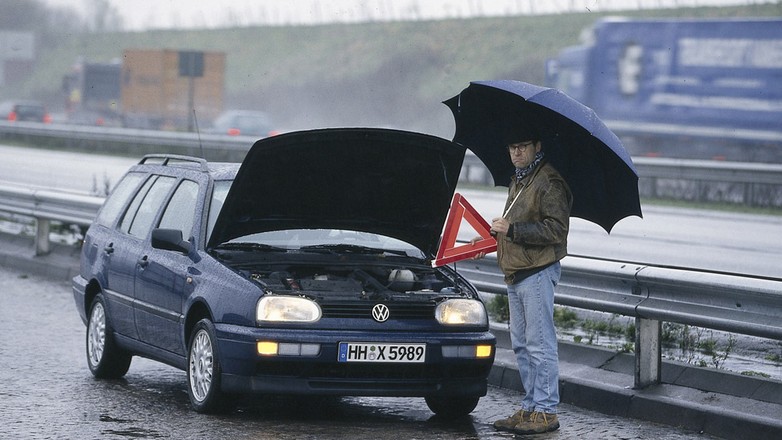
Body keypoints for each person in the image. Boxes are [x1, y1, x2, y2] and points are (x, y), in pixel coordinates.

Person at [474, 132, 572, 435]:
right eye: (512, 148)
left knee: (539, 344)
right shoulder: (520, 179)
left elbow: (556, 230)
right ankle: (531, 407)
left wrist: (512, 230)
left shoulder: (549, 181)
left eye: (522, 147)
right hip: (517, 271)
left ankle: (545, 411)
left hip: (538, 271)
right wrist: (492, 237)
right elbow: (511, 225)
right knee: (522, 345)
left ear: (536, 147)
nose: (516, 153)